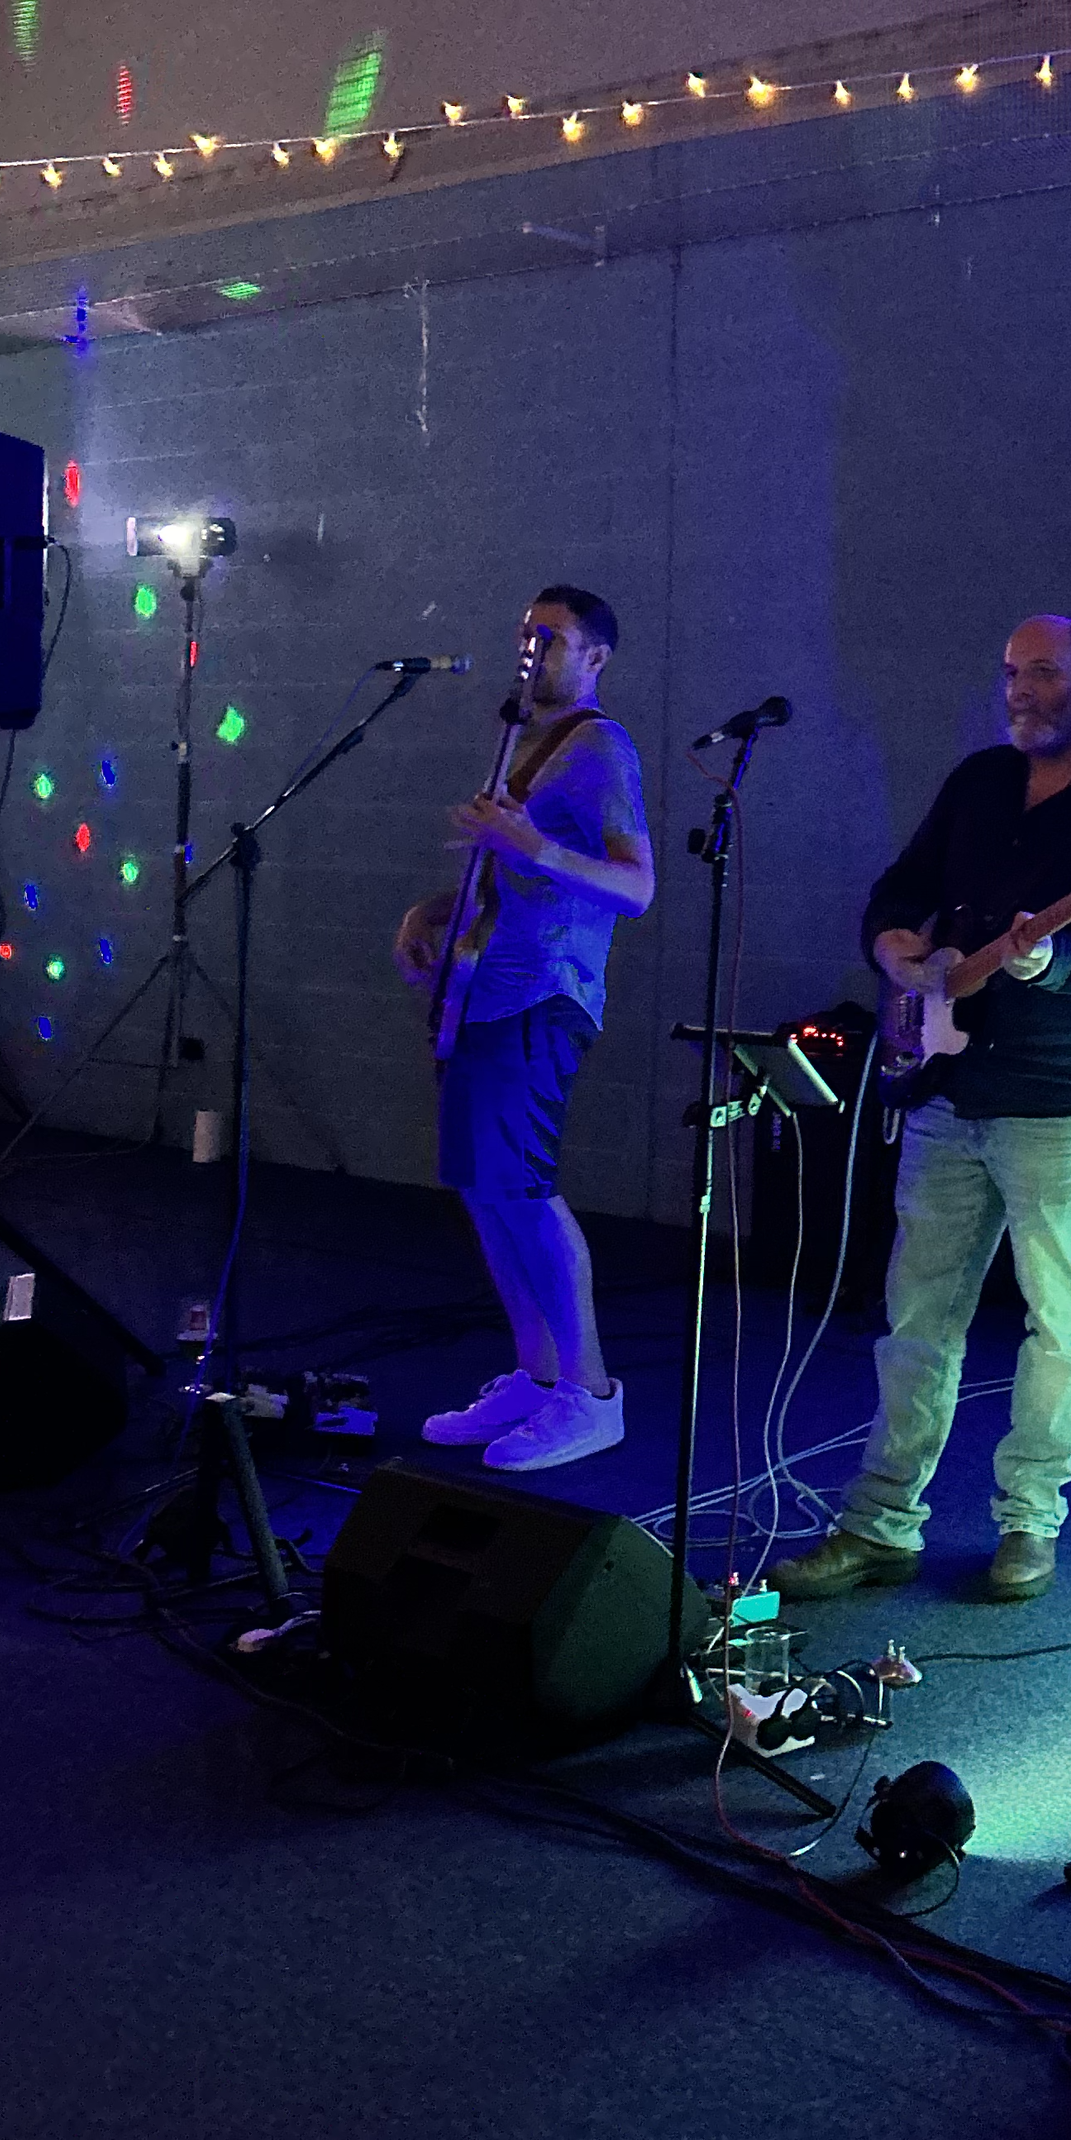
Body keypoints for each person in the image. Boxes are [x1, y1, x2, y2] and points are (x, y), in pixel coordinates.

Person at [775, 615, 1071, 1604]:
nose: (1019, 689)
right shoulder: (976, 783)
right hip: (949, 1081)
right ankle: (881, 1522)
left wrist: (1054, 955)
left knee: (1057, 1322)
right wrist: (896, 954)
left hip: (1064, 1095)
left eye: (1042, 672)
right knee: (917, 1314)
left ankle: (1029, 1523)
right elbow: (900, 891)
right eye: (1010, 671)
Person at [395, 586, 655, 1476]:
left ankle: (588, 1393)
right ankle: (537, 1375)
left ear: (595, 659)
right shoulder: (523, 743)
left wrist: (531, 846)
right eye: (526, 633)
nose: (532, 648)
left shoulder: (599, 747)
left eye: (553, 638)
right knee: (485, 1188)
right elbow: (504, 871)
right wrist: (430, 910)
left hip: (544, 994)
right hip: (486, 991)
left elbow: (636, 885)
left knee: (523, 1185)